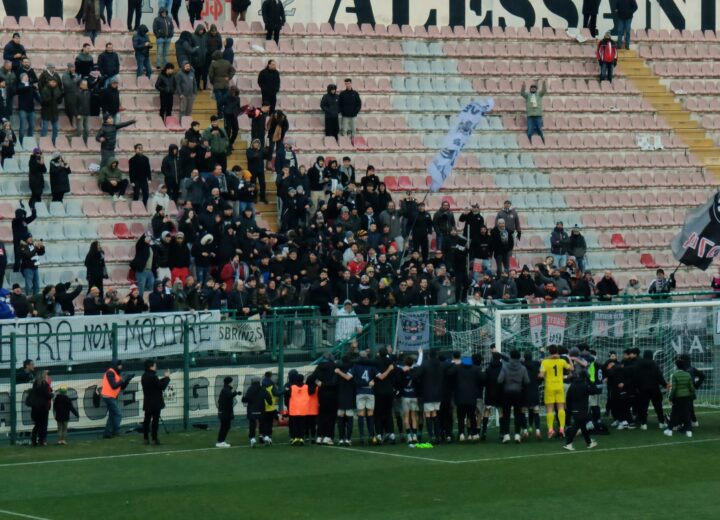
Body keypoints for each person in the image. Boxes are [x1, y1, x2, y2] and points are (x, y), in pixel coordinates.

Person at [539, 345, 574, 439]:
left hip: (549, 387)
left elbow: (541, 375)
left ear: (549, 352)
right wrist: (569, 358)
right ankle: (562, 428)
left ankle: (550, 429)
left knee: (550, 409)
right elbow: (571, 369)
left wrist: (540, 374)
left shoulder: (545, 362)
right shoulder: (562, 361)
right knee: (561, 408)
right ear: (557, 352)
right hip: (559, 386)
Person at [498, 350, 530, 443]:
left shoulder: (505, 366)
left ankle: (507, 435)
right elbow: (527, 381)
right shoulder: (523, 368)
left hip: (506, 392)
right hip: (518, 393)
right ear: (519, 357)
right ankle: (517, 435)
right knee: (518, 414)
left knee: (506, 414)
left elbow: (499, 380)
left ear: (510, 356)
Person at [562, 371, 599, 451]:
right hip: (582, 410)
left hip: (574, 410)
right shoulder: (584, 385)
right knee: (576, 426)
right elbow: (595, 391)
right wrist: (590, 381)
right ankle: (568, 443)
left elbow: (568, 398)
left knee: (583, 427)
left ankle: (589, 442)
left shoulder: (572, 386)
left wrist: (569, 409)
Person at [141, 359, 171, 445]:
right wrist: (167, 377)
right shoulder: (153, 376)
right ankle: (154, 439)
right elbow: (161, 386)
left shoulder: (144, 376)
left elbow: (156, 383)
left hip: (147, 402)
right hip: (155, 403)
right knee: (155, 421)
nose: (156, 367)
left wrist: (164, 378)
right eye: (154, 365)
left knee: (146, 421)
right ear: (151, 366)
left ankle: (145, 438)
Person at [663, 358, 696, 438]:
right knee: (687, 414)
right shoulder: (687, 374)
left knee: (674, 413)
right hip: (687, 397)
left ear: (677, 366)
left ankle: (670, 430)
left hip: (677, 397)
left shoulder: (675, 375)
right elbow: (691, 387)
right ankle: (689, 432)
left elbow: (674, 388)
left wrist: (671, 398)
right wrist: (692, 395)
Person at [101, 360, 133, 439]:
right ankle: (116, 431)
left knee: (112, 415)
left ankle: (107, 433)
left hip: (110, 396)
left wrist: (127, 380)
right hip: (108, 396)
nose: (121, 367)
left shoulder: (115, 373)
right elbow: (114, 386)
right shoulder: (110, 372)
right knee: (118, 414)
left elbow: (121, 387)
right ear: (116, 365)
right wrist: (123, 379)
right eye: (120, 365)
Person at [29, 369, 53, 446]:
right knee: (43, 424)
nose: (47, 376)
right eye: (46, 375)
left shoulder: (35, 384)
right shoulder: (45, 384)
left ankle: (34, 440)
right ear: (43, 376)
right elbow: (47, 395)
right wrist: (52, 395)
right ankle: (42, 440)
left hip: (35, 407)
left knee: (37, 424)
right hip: (43, 407)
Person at [208, 50, 235, 117]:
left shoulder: (213, 64)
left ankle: (220, 114)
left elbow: (210, 75)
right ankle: (225, 113)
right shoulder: (227, 62)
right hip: (226, 84)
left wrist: (212, 81)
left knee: (219, 100)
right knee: (225, 100)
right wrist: (229, 77)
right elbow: (233, 70)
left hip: (217, 85)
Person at [216, 376, 241, 448]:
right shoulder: (225, 389)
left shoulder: (226, 389)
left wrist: (235, 393)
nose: (233, 383)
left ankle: (220, 441)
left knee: (225, 426)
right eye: (232, 381)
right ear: (229, 382)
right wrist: (236, 392)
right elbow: (229, 396)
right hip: (224, 412)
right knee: (225, 426)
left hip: (224, 411)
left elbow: (226, 398)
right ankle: (221, 442)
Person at [242, 377, 265, 447]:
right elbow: (268, 397)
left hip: (252, 409)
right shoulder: (262, 388)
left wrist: (243, 398)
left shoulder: (250, 389)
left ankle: (252, 438)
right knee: (262, 423)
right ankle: (261, 436)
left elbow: (246, 399)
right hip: (261, 408)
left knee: (252, 424)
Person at [40, 78, 63, 146]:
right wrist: (51, 98)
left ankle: (54, 142)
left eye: (55, 82)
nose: (53, 83)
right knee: (45, 128)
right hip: (46, 111)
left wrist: (60, 98)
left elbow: (59, 102)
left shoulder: (57, 89)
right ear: (49, 82)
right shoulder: (44, 89)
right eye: (52, 82)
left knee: (55, 128)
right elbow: (43, 102)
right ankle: (43, 142)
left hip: (54, 111)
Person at [260, 371, 279, 445]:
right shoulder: (272, 385)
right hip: (270, 407)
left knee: (263, 422)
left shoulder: (262, 385)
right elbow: (276, 393)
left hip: (263, 406)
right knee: (270, 423)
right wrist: (284, 391)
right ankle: (269, 437)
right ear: (270, 376)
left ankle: (262, 436)